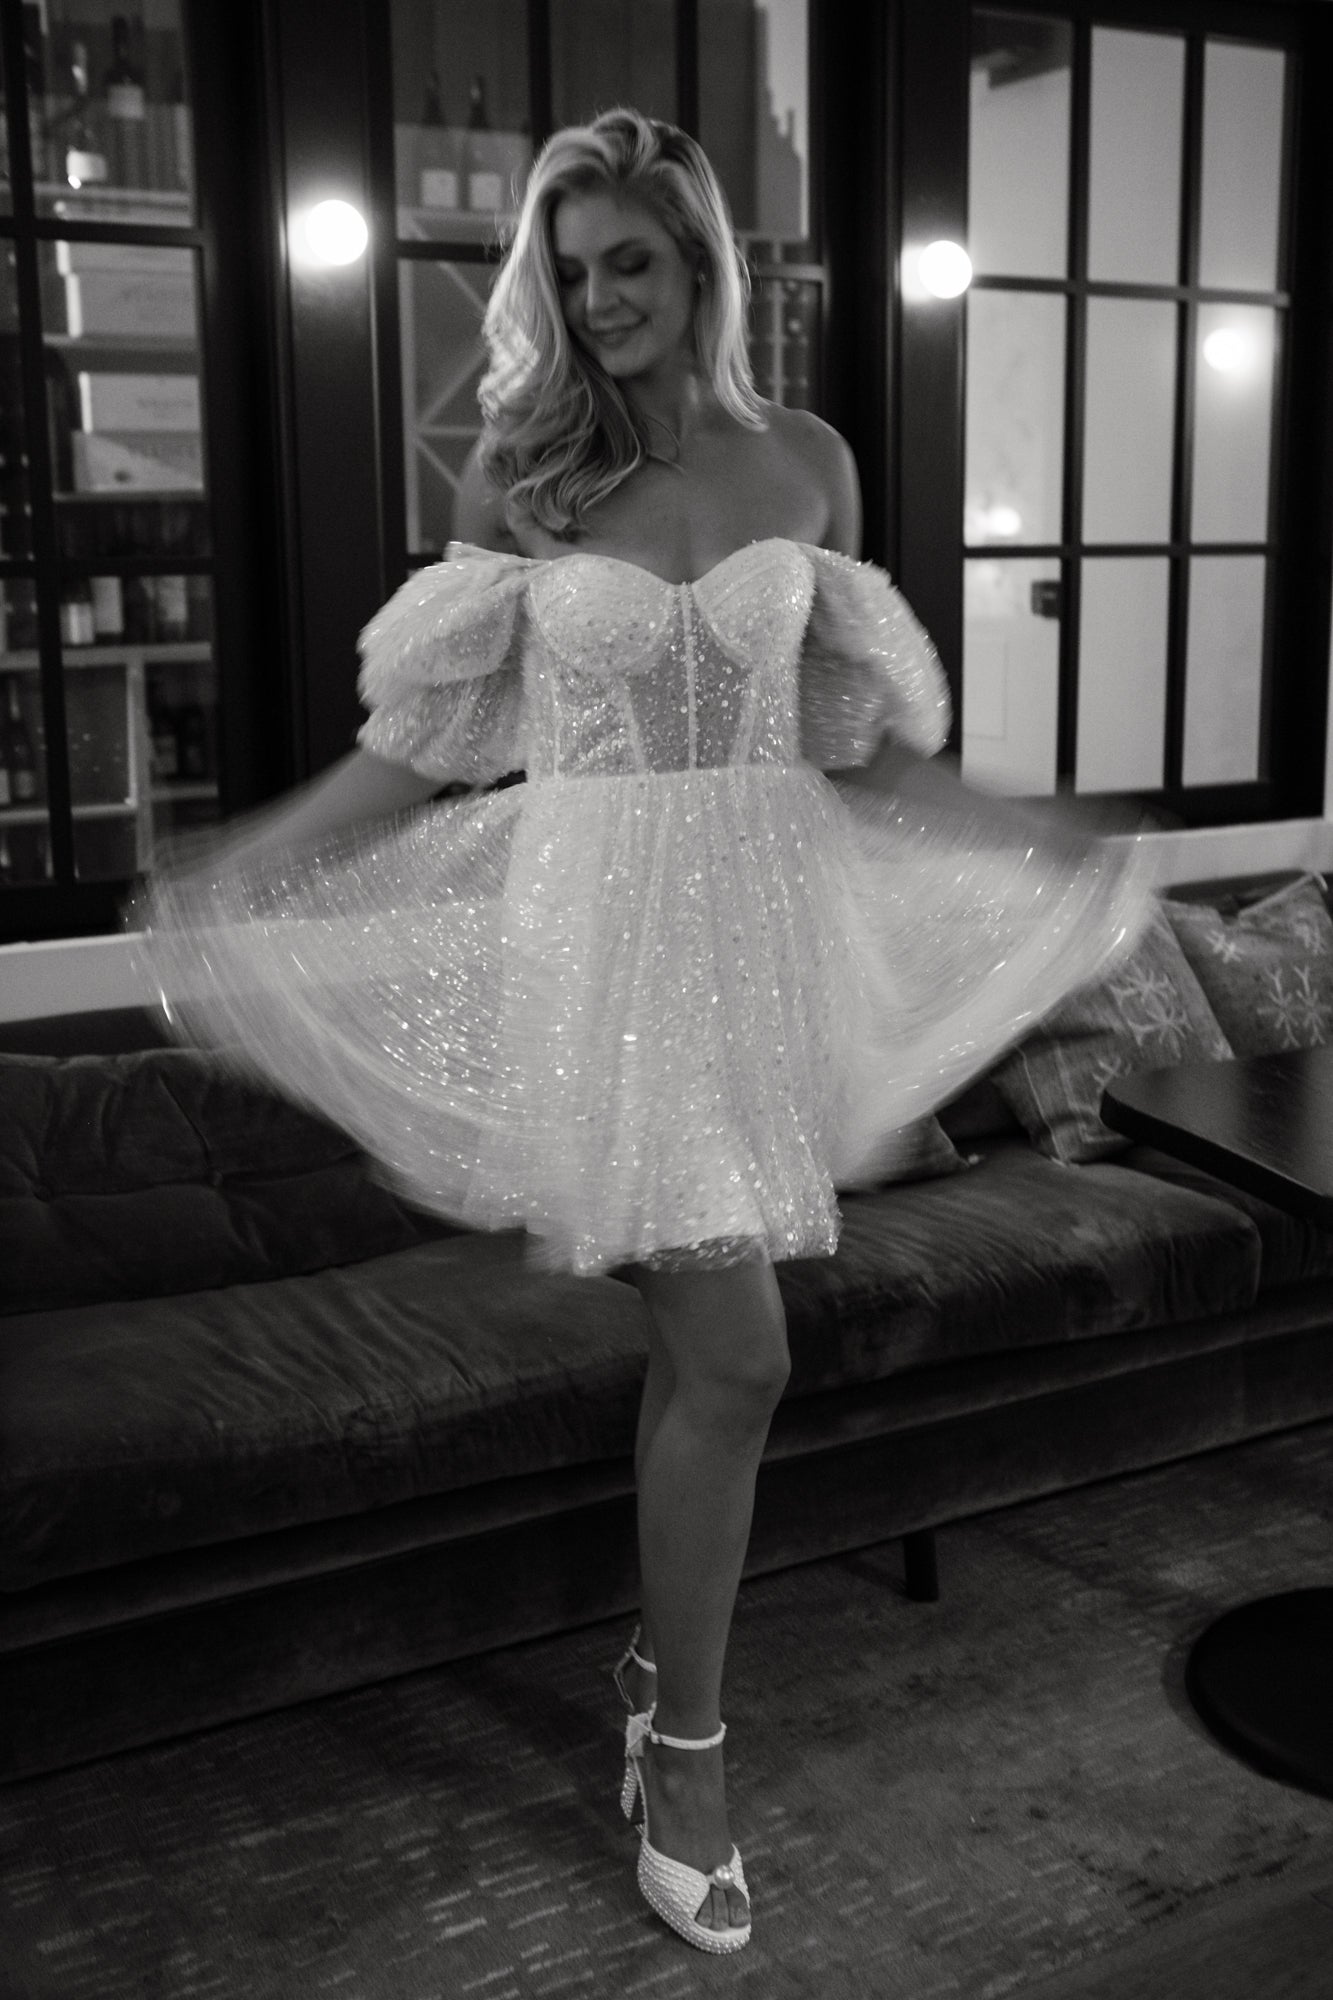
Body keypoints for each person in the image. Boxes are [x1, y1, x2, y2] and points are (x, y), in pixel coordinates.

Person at [135, 108, 1147, 1956]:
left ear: (698, 267)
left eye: (629, 262)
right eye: (570, 267)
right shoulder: (521, 474)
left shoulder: (807, 462)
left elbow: (864, 750)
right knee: (741, 1357)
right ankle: (684, 1758)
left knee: (715, 1367)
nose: (597, 298)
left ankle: (658, 1686)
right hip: (605, 942)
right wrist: (255, 855)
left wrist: (1044, 834)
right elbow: (417, 749)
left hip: (759, 935)